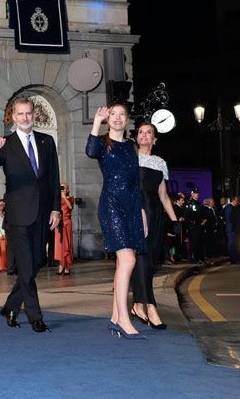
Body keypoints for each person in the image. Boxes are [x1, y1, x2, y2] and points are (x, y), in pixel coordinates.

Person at [0, 96, 61, 333]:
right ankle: (35, 317)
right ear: (13, 116)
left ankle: (11, 305)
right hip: (18, 214)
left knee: (35, 264)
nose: (25, 118)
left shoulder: (47, 142)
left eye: (29, 113)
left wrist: (56, 207)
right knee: (26, 265)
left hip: (43, 212)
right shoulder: (5, 144)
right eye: (20, 114)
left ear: (34, 115)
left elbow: (54, 178)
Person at [86, 104, 147, 339]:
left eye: (122, 114)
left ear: (127, 119)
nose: (118, 118)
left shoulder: (131, 147)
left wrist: (140, 212)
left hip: (131, 206)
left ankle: (114, 317)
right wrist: (96, 122)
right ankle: (123, 318)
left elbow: (135, 182)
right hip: (111, 205)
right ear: (108, 119)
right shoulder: (102, 143)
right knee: (128, 259)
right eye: (113, 114)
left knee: (124, 263)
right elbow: (90, 151)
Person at [130, 122, 180, 330]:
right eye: (141, 132)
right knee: (140, 259)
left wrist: (175, 220)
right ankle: (150, 306)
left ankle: (137, 305)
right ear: (136, 137)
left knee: (149, 262)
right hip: (136, 212)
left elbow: (164, 196)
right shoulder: (131, 160)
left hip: (156, 216)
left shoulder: (160, 163)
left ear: (155, 139)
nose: (144, 135)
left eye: (149, 132)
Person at [54, 183, 74, 275]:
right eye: (60, 187)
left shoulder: (70, 198)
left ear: (67, 189)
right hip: (59, 224)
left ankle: (67, 266)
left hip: (67, 223)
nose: (62, 189)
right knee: (59, 245)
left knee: (67, 244)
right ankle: (61, 265)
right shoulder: (57, 200)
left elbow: (70, 207)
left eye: (63, 187)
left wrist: (64, 197)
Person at [185, 189, 206, 264]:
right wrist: (188, 227)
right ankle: (196, 258)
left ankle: (201, 258)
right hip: (193, 226)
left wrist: (204, 220)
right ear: (192, 194)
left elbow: (202, 214)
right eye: (195, 193)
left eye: (198, 193)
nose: (197, 194)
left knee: (200, 242)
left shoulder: (199, 203)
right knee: (195, 242)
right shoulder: (190, 203)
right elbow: (187, 216)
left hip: (199, 225)